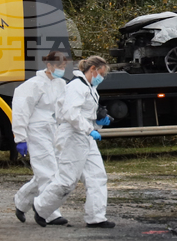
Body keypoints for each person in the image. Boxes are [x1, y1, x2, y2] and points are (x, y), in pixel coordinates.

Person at [32, 56, 115, 228]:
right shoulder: (77, 87)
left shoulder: (90, 87)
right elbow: (71, 114)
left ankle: (96, 217)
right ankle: (41, 207)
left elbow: (85, 115)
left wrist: (99, 122)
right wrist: (89, 129)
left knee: (97, 176)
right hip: (73, 137)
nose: (102, 77)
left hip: (85, 136)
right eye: (101, 73)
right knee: (67, 180)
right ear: (92, 69)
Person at [12, 51, 70, 226]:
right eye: (59, 67)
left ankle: (21, 201)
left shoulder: (62, 84)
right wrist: (20, 137)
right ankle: (49, 212)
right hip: (36, 131)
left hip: (55, 131)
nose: (61, 70)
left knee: (47, 172)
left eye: (63, 67)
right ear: (49, 65)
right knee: (48, 171)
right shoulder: (33, 85)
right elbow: (21, 111)